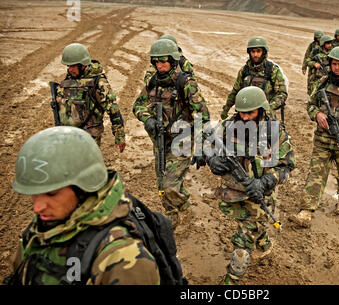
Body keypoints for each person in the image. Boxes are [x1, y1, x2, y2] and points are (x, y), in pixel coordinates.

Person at [5, 126, 160, 285]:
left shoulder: (123, 259)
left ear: (84, 187)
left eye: (52, 194)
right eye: (34, 194)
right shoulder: (39, 231)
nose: (37, 208)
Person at [207, 86, 294, 284]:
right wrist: (212, 160)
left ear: (262, 110)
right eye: (242, 113)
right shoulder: (229, 125)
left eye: (250, 113)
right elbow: (209, 145)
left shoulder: (275, 132)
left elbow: (287, 166)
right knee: (253, 226)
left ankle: (231, 281)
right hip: (234, 192)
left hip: (259, 195)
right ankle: (264, 245)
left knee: (243, 240)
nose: (245, 118)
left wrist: (265, 182)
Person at [133, 39, 210, 227]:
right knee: (161, 183)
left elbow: (202, 115)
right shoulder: (153, 81)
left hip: (182, 141)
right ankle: (171, 213)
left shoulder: (185, 82)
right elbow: (138, 105)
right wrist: (147, 119)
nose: (159, 66)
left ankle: (184, 208)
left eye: (163, 61)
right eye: (156, 62)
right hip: (161, 140)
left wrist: (200, 148)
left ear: (173, 61)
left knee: (170, 183)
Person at [290, 47, 339, 228]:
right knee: (316, 174)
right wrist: (317, 114)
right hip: (323, 141)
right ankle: (307, 211)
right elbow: (310, 104)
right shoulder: (323, 82)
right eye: (333, 64)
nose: (336, 68)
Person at [55, 43, 126, 152]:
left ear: (83, 65)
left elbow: (113, 110)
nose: (70, 69)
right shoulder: (69, 78)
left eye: (73, 66)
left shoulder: (98, 82)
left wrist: (119, 136)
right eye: (68, 66)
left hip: (90, 134)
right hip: (69, 132)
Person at [221, 36, 288, 121]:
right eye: (253, 51)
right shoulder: (244, 71)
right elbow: (235, 91)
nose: (255, 55)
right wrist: (226, 109)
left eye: (258, 51)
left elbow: (282, 93)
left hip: (265, 117)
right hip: (245, 115)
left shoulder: (272, 70)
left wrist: (269, 108)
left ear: (264, 52)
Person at [302, 30, 324, 94]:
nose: (319, 39)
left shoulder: (325, 45)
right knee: (310, 82)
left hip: (322, 67)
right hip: (312, 67)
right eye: (318, 38)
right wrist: (304, 67)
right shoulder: (312, 45)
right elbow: (307, 56)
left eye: (320, 37)